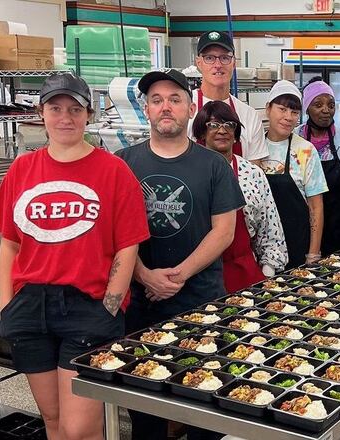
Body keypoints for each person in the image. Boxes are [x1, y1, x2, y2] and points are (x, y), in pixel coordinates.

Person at [0, 72, 149, 440]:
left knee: (80, 429)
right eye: (55, 108)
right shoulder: (22, 170)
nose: (65, 117)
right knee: (53, 421)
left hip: (87, 306)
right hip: (30, 307)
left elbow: (128, 244)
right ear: (41, 114)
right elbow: (9, 243)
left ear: (88, 115)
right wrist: (6, 306)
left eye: (75, 109)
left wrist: (110, 304)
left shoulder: (114, 170)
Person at [117, 68, 244, 440]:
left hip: (202, 302)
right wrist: (143, 275)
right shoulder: (122, 163)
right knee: (146, 408)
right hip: (142, 305)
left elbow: (224, 232)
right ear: (145, 109)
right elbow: (115, 235)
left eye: (174, 100)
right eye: (156, 100)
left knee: (205, 407)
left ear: (190, 109)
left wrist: (178, 275)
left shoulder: (214, 165)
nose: (165, 107)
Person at [193, 100, 288, 289]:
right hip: (199, 277)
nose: (222, 130)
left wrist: (266, 274)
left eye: (229, 125)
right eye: (213, 125)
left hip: (245, 274)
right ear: (202, 133)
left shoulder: (252, 173)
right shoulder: (190, 172)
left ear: (236, 135)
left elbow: (271, 231)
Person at [260, 80, 327, 267]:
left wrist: (313, 253)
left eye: (294, 112)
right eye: (282, 109)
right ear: (268, 109)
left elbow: (316, 206)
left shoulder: (305, 150)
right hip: (261, 247)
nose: (288, 117)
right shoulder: (254, 148)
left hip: (297, 244)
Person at [296, 78, 340, 253]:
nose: (326, 110)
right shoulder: (295, 140)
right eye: (318, 104)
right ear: (306, 108)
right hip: (301, 231)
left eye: (331, 104)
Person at [187, 30, 267, 165]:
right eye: (209, 58)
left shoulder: (249, 115)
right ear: (199, 63)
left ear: (234, 63)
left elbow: (254, 173)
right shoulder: (184, 109)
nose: (217, 65)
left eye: (225, 58)